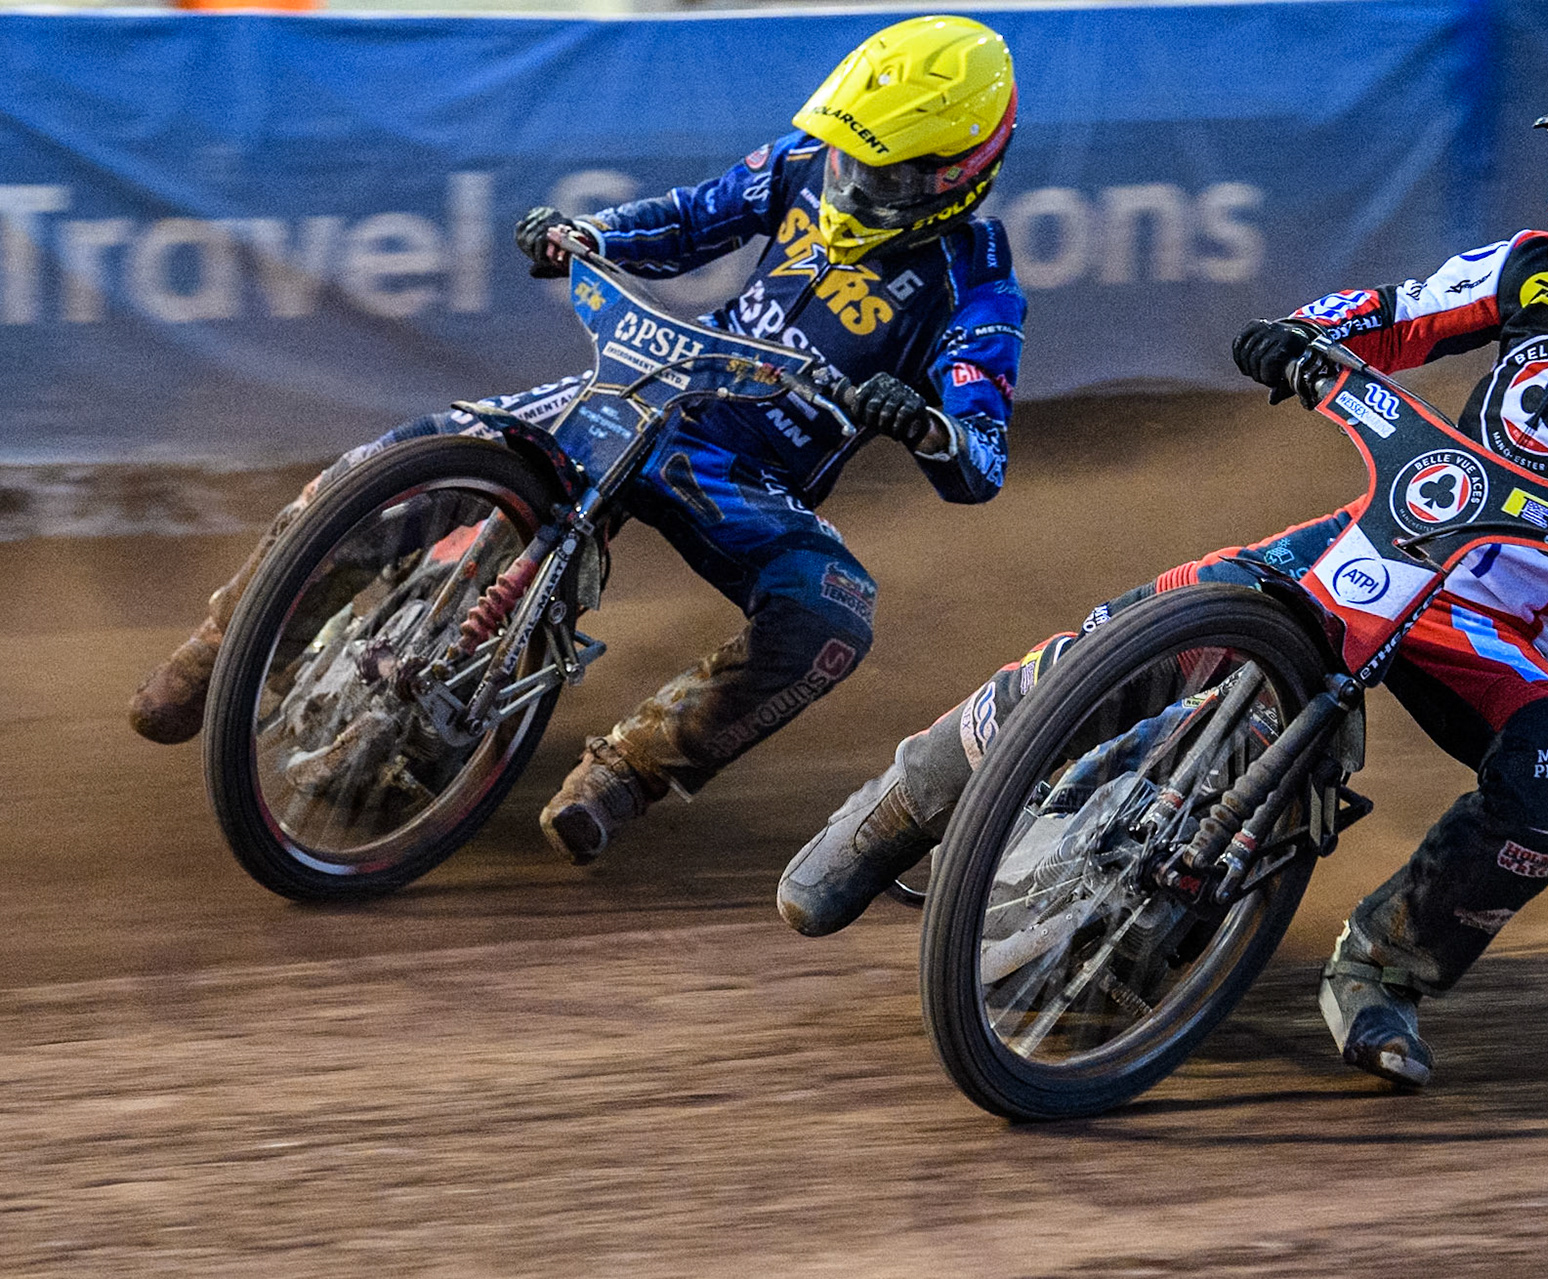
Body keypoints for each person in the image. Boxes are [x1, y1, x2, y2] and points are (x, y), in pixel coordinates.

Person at [777, 59, 1548, 1089]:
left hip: (1491, 631)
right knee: (1138, 628)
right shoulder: (1527, 268)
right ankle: (901, 803)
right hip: (1373, 542)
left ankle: (1383, 969)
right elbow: (1395, 311)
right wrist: (1303, 334)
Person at [128, 15, 1026, 864]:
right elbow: (686, 220)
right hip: (641, 381)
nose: (852, 184)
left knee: (834, 611)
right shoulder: (802, 161)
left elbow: (981, 462)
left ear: (958, 174)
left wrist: (929, 425)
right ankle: (224, 645)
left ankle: (630, 768)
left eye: (885, 174)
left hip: (744, 471)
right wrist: (588, 235)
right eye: (847, 156)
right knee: (405, 458)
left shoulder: (976, 284)